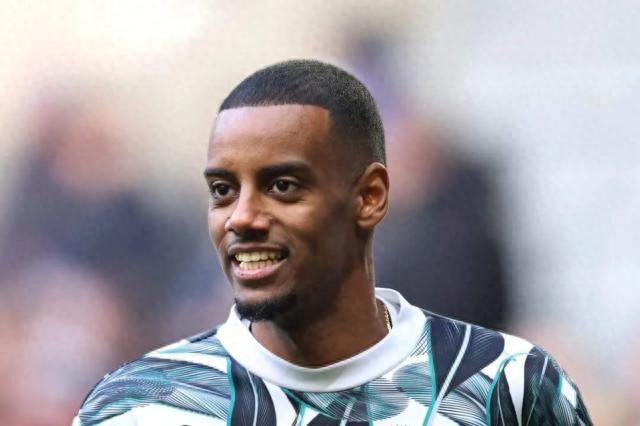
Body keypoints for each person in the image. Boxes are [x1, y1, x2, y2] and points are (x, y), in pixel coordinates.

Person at [74, 60, 591, 425]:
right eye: (223, 191)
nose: (242, 217)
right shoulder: (140, 408)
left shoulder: (509, 388)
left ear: (369, 197)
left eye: (282, 186)